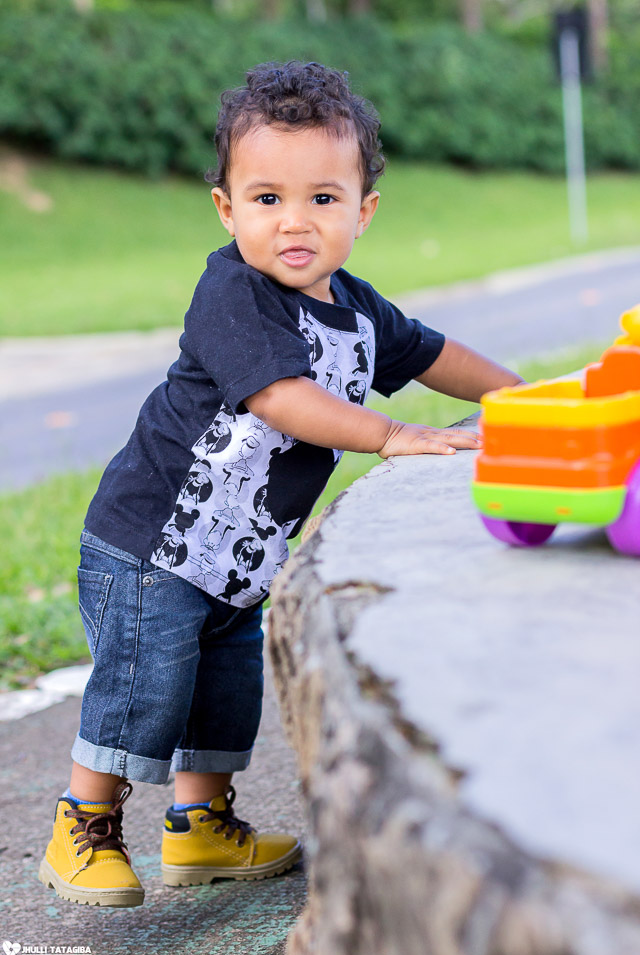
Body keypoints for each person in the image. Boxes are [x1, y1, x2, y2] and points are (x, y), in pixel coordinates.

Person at [39, 60, 523, 908]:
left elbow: (433, 352)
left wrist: (521, 398)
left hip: (236, 557)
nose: (294, 223)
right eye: (267, 200)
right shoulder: (232, 292)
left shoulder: (359, 307)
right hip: (152, 541)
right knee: (143, 690)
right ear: (228, 209)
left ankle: (200, 831)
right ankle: (85, 823)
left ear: (363, 211)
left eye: (322, 200)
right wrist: (388, 435)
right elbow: (282, 399)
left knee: (226, 694)